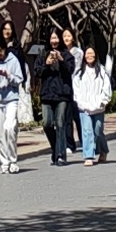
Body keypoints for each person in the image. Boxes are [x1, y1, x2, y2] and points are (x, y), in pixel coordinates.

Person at [0, 38, 30, 173]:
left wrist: (8, 75)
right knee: (0, 133)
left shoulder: (13, 60)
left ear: (5, 49)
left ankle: (12, 160)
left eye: (1, 50)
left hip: (11, 99)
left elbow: (19, 79)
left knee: (9, 128)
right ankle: (4, 162)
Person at [33, 33, 73, 163]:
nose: (54, 41)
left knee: (60, 123)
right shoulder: (43, 54)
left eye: (56, 38)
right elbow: (37, 72)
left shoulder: (66, 54)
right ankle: (56, 147)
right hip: (47, 94)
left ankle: (61, 155)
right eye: (52, 38)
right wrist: (46, 64)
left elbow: (71, 69)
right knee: (47, 123)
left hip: (62, 94)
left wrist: (61, 60)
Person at [73, 36, 110, 163]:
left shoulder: (102, 71)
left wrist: (102, 101)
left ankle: (103, 150)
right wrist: (80, 102)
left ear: (95, 55)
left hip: (98, 107)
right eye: (87, 54)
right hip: (84, 108)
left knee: (98, 130)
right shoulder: (79, 73)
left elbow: (106, 88)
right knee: (87, 131)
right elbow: (76, 90)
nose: (89, 56)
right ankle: (88, 156)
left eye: (91, 53)